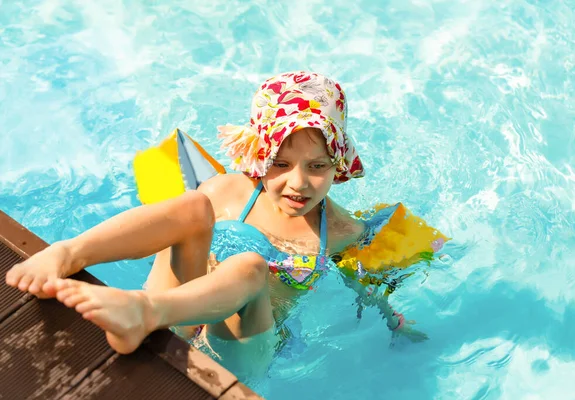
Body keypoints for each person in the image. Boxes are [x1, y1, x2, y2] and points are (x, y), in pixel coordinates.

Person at [5, 71, 423, 375]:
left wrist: (395, 324)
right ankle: (65, 252)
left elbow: (367, 287)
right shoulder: (229, 190)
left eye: (317, 166)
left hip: (241, 347)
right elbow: (170, 226)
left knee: (249, 267)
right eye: (280, 164)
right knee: (192, 207)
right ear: (259, 154)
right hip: (182, 316)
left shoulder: (342, 231)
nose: (299, 183)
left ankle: (142, 312)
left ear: (338, 164)